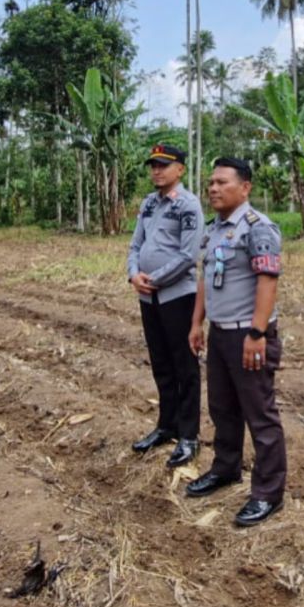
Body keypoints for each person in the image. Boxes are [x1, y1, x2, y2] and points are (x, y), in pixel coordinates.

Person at [186, 157, 286, 527]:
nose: (213, 188)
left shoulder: (258, 229)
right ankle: (225, 468)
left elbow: (268, 281)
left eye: (222, 182)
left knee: (260, 415)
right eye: (210, 182)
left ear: (245, 188)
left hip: (249, 334)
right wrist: (197, 323)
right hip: (221, 332)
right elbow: (204, 279)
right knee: (223, 409)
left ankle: (268, 493)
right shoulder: (214, 231)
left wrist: (257, 334)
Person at [126, 144, 204, 467]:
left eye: (163, 165)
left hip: (177, 297)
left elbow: (188, 256)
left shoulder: (188, 205)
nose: (156, 170)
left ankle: (189, 436)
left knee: (184, 366)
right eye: (153, 165)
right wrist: (134, 274)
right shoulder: (148, 204)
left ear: (180, 170)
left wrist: (153, 277)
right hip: (149, 297)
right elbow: (135, 245)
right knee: (161, 364)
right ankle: (166, 425)